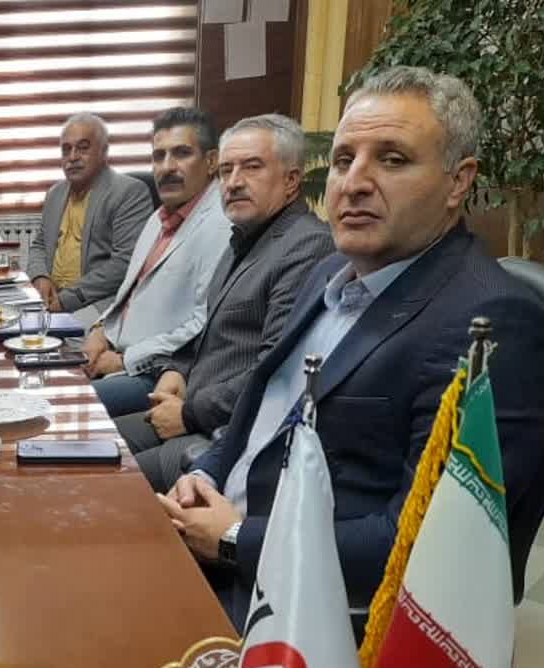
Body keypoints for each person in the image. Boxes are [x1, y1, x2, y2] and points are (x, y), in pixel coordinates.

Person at [156, 68, 544, 626]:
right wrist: (203, 474)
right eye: (344, 160)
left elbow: (420, 543)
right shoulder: (329, 272)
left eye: (392, 160)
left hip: (308, 611)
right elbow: (263, 411)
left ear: (458, 182)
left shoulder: (493, 324)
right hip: (226, 539)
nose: (354, 183)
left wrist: (234, 538)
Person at [114, 114, 334, 488]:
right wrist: (176, 370)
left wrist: (189, 413)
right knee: (82, 444)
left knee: (98, 477)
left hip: (225, 437)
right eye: (227, 170)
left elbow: (275, 374)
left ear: (291, 180)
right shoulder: (243, 238)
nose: (233, 182)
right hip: (187, 412)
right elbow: (207, 329)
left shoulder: (306, 246)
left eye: (252, 167)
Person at [83, 107, 228, 412]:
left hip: (158, 373)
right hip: (114, 352)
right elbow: (129, 293)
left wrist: (124, 360)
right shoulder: (159, 217)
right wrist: (100, 329)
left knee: (69, 405)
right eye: (158, 156)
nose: (166, 167)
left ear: (211, 161)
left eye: (181, 153)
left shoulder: (222, 224)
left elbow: (203, 323)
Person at [27, 113, 156, 318]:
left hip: (97, 302)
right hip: (52, 299)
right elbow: (40, 245)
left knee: (54, 334)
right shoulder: (55, 193)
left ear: (104, 152)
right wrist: (40, 277)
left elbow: (125, 263)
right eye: (66, 149)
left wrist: (67, 299)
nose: (72, 157)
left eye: (83, 148)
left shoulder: (129, 192)